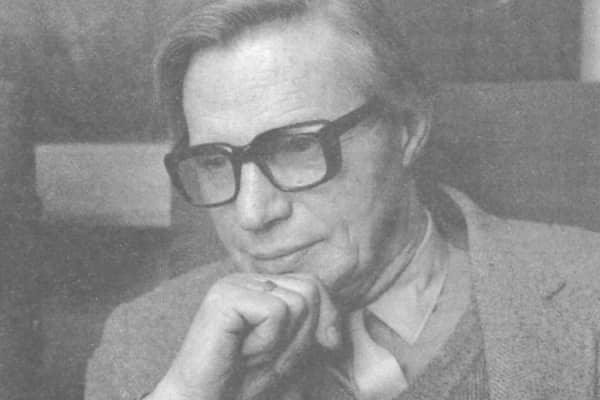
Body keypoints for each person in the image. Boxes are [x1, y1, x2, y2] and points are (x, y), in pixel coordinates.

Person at [85, 1, 600, 399]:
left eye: (295, 147)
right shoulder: (144, 348)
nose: (253, 214)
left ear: (407, 129)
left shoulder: (587, 291)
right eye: (215, 162)